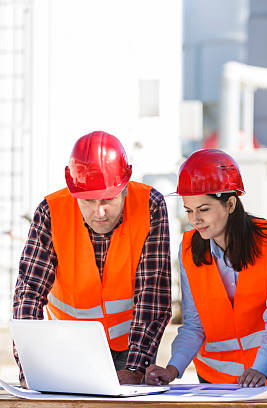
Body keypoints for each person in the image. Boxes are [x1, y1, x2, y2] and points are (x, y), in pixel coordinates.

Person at [12, 131, 172, 386]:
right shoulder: (50, 212)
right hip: (68, 346)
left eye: (108, 199)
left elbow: (152, 293)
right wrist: (29, 365)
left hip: (131, 348)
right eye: (87, 200)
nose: (99, 212)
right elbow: (29, 291)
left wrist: (135, 367)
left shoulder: (150, 205)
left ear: (125, 187)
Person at [146, 149, 267, 387]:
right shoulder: (189, 249)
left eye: (204, 209)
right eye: (189, 210)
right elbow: (193, 324)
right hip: (215, 381)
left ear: (230, 204)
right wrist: (172, 369)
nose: (194, 220)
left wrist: (259, 369)